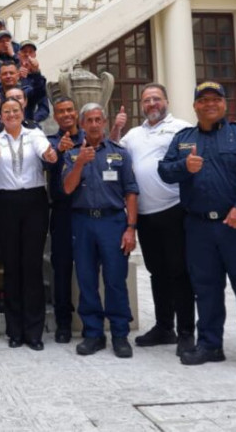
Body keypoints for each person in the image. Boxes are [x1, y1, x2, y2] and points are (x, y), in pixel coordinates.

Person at [158, 81, 236, 375]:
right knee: (206, 289)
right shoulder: (184, 138)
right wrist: (185, 166)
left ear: (225, 104)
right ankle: (210, 345)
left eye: (216, 99)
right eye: (203, 99)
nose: (210, 104)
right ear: (195, 105)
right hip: (198, 228)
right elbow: (164, 170)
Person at [114, 84, 196, 355]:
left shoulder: (182, 128)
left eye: (156, 99)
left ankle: (186, 332)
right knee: (157, 272)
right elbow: (114, 151)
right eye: (146, 100)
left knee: (179, 272)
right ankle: (164, 327)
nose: (151, 104)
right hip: (145, 215)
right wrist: (116, 127)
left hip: (174, 210)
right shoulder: (134, 134)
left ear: (166, 101)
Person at [62, 103, 138, 358]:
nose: (94, 124)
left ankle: (119, 333)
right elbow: (68, 188)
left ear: (104, 122)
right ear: (81, 125)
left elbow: (131, 192)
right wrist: (80, 163)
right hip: (83, 222)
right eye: (89, 120)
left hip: (113, 222)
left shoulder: (119, 153)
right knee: (86, 279)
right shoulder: (72, 154)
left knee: (115, 280)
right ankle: (93, 333)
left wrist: (131, 228)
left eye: (98, 119)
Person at [0, 98, 57, 350]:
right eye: (7, 111)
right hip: (6, 203)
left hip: (34, 201)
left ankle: (34, 331)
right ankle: (14, 330)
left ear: (22, 112)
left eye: (15, 110)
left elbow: (45, 152)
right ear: (1, 116)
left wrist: (50, 154)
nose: (11, 114)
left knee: (32, 266)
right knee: (12, 266)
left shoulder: (34, 134)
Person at [46, 97, 83, 343]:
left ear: (76, 113)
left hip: (86, 211)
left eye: (70, 110)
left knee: (89, 270)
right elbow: (45, 166)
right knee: (61, 271)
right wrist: (59, 152)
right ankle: (63, 323)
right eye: (61, 111)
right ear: (56, 117)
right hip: (61, 213)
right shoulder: (50, 142)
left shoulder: (89, 138)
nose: (66, 114)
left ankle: (92, 320)